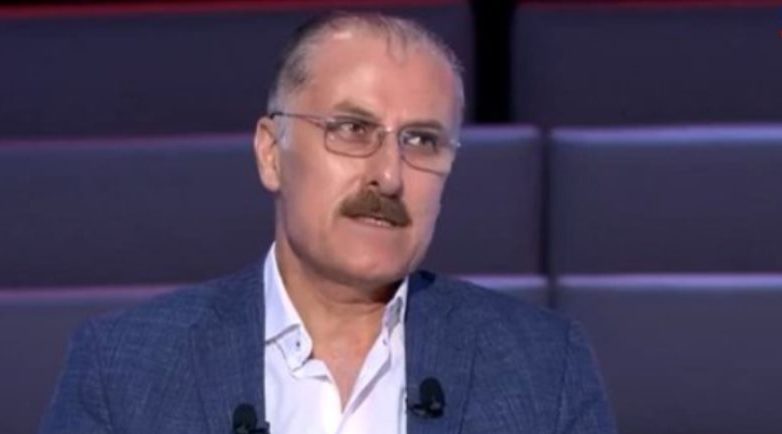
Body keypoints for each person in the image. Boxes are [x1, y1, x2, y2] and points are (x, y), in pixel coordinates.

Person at [40, 12, 616, 434]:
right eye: (352, 130)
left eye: (421, 140)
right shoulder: (123, 370)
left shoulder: (544, 367)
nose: (388, 175)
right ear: (272, 153)